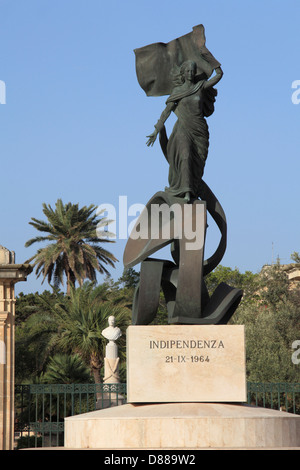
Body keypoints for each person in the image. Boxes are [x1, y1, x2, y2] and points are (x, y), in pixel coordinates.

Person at [146, 61, 223, 202]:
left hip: (199, 131)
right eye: (187, 71)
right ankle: (186, 191)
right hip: (183, 129)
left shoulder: (200, 87)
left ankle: (192, 189)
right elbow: (166, 111)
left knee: (196, 163)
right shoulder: (178, 91)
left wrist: (211, 60)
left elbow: (219, 75)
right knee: (185, 155)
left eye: (193, 71)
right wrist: (157, 129)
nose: (190, 74)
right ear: (183, 73)